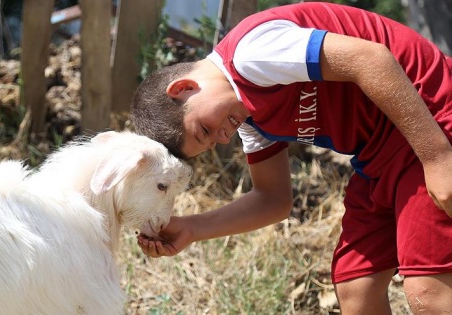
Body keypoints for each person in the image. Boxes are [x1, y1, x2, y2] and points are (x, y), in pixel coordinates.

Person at [129, 2, 452, 314]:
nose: (223, 137)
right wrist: (192, 228)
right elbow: (273, 199)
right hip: (379, 155)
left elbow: (371, 59)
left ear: (184, 88)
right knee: (356, 287)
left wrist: (437, 158)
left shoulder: (251, 54)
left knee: (428, 292)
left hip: (432, 117)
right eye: (212, 143)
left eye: (204, 129)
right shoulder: (249, 119)